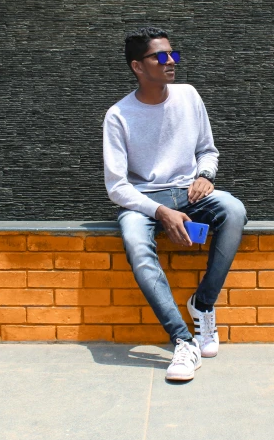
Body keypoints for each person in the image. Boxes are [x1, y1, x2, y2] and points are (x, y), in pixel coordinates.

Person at [102, 27, 247, 381]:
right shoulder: (118, 116)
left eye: (173, 54)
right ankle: (184, 341)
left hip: (190, 191)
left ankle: (203, 305)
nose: (171, 62)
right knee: (136, 243)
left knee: (234, 210)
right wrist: (161, 212)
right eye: (160, 56)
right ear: (138, 66)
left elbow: (207, 150)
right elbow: (117, 187)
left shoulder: (189, 96)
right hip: (142, 201)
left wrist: (206, 175)